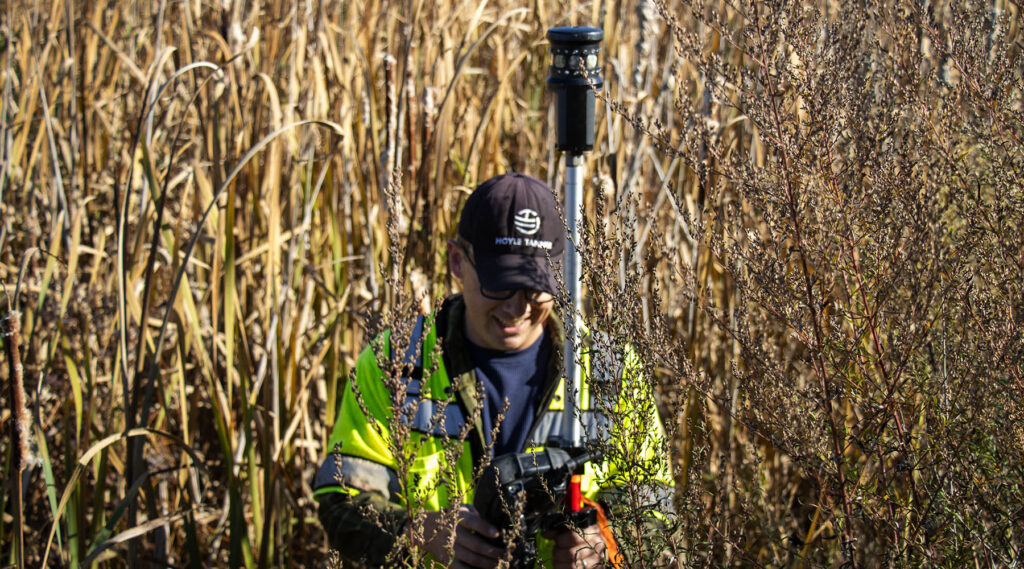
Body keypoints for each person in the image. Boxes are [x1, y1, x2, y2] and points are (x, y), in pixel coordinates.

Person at [315, 173, 670, 568]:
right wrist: (416, 532)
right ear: (456, 261)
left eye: (536, 288)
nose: (517, 309)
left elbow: (657, 505)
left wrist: (602, 538)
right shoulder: (394, 365)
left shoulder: (610, 370)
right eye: (499, 285)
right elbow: (339, 502)